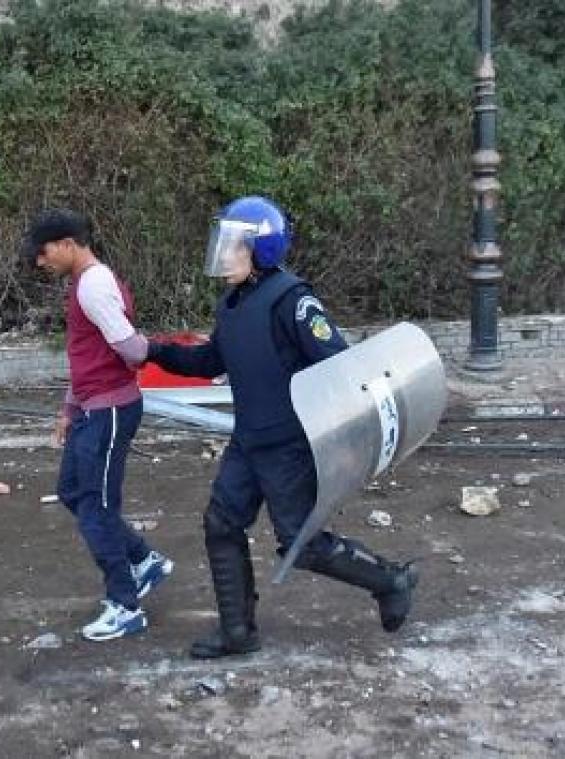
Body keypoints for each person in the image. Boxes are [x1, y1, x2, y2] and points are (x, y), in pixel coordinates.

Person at [145, 195, 418, 659]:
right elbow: (211, 361)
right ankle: (237, 631)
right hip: (248, 441)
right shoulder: (233, 304)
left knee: (302, 545)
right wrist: (153, 351)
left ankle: (391, 580)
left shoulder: (293, 301)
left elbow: (338, 368)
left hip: (290, 447)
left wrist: (346, 442)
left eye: (234, 246)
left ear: (261, 249)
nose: (224, 255)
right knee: (221, 523)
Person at [21, 208, 174, 642]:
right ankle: (143, 561)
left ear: (68, 244)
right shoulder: (83, 284)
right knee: (73, 491)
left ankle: (125, 606)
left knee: (97, 509)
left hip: (109, 411)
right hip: (92, 408)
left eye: (44, 252)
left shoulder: (94, 285)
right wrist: (69, 409)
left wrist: (157, 354)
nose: (40, 261)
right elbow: (88, 355)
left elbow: (131, 349)